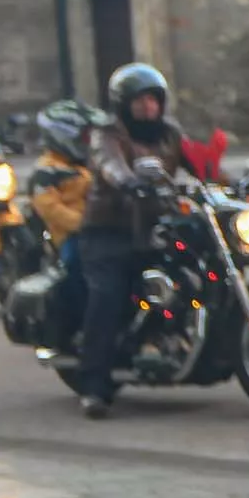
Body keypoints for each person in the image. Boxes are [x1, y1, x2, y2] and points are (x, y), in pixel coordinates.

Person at [73, 63, 186, 419]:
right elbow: (110, 163)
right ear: (124, 105)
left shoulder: (170, 133)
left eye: (154, 100)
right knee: (108, 295)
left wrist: (234, 184)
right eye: (140, 101)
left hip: (154, 228)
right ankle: (93, 385)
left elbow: (199, 162)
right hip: (108, 232)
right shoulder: (107, 133)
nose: (149, 108)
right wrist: (127, 181)